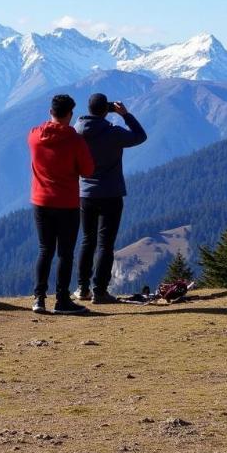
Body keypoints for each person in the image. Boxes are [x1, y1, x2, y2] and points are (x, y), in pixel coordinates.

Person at [74, 94, 148, 304]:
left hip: (86, 193)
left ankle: (82, 288)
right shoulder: (113, 133)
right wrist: (126, 115)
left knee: (87, 241)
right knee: (105, 244)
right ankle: (100, 291)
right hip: (111, 193)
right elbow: (140, 136)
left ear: (88, 108)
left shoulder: (77, 132)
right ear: (106, 110)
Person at [28, 95, 94, 315]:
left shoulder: (34, 136)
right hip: (66, 203)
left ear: (50, 111)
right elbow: (87, 170)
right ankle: (62, 301)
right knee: (65, 253)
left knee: (44, 249)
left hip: (40, 201)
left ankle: (39, 299)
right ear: (70, 114)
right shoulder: (75, 141)